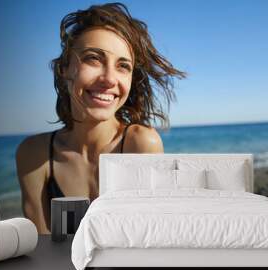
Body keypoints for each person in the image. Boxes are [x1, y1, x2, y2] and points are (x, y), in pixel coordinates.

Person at [15, 3, 185, 234]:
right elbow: (41, 249)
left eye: (123, 66)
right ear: (65, 68)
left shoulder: (141, 143)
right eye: (93, 59)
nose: (109, 78)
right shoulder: (35, 155)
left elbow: (151, 238)